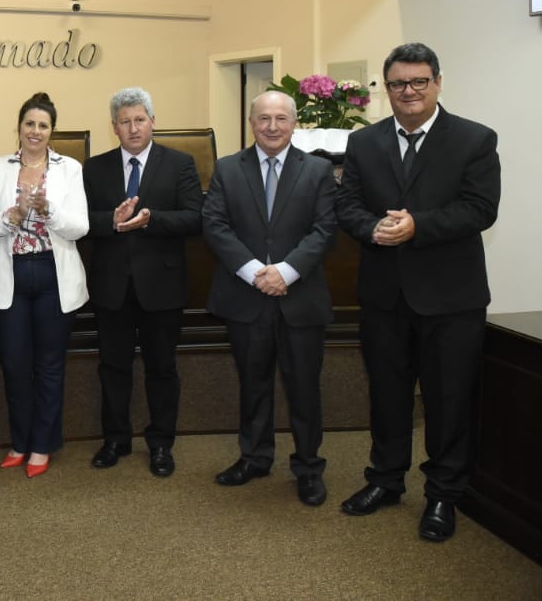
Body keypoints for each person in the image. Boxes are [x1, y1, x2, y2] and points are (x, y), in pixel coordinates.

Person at [335, 42, 500, 542]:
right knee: (387, 397)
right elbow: (348, 204)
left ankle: (443, 496)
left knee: (449, 401)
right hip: (385, 296)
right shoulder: (364, 143)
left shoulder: (474, 139)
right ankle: (385, 481)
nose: (409, 92)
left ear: (438, 83)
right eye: (398, 84)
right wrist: (372, 229)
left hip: (452, 299)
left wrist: (417, 226)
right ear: (386, 90)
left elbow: (480, 209)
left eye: (419, 82)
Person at [201, 90, 336, 507]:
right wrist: (255, 273)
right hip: (247, 297)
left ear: (294, 123)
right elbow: (215, 224)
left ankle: (309, 467)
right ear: (251, 122)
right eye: (264, 119)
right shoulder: (227, 169)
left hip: (301, 299)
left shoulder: (318, 171)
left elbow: (325, 229)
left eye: (281, 118)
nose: (272, 127)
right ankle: (255, 458)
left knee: (304, 389)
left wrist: (286, 272)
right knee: (253, 384)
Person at [82, 87, 202, 477]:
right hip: (111, 286)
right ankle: (115, 439)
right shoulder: (94, 168)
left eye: (140, 119)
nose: (133, 128)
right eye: (124, 121)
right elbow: (81, 222)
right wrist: (111, 222)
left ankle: (161, 443)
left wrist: (154, 220)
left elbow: (195, 218)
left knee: (162, 369)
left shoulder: (180, 164)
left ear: (153, 121)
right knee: (113, 367)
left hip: (161, 286)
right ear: (114, 127)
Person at [0, 92, 89, 478]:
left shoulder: (70, 168)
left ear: (51, 130)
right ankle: (19, 441)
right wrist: (13, 214)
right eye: (29, 124)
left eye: (42, 125)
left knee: (50, 366)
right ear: (19, 127)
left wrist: (47, 211)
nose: (35, 131)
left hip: (55, 277)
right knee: (16, 365)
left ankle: (42, 445)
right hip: (12, 277)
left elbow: (81, 226)